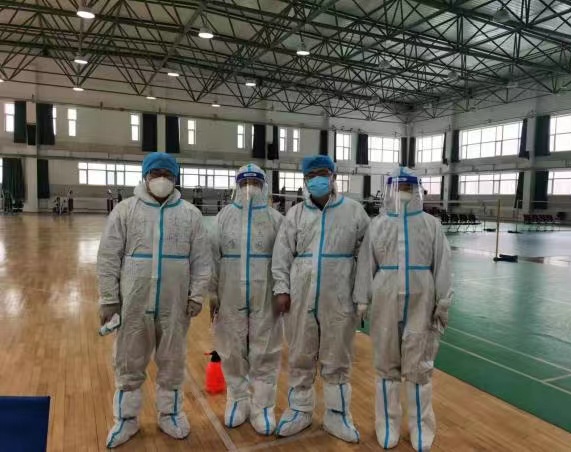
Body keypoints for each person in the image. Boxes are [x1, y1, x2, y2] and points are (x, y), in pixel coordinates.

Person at [97, 152, 215, 448]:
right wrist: (109, 299)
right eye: (156, 173)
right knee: (128, 360)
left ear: (175, 178)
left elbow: (202, 260)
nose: (161, 179)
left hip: (175, 306)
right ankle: (125, 419)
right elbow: (108, 257)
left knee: (172, 361)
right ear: (145, 176)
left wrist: (197, 294)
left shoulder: (190, 214)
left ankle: (170, 414)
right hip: (133, 304)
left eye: (167, 174)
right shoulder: (125, 211)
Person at [353, 167, 453, 451]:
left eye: (407, 188)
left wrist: (443, 301)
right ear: (389, 190)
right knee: (386, 365)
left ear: (417, 190)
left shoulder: (431, 225)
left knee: (419, 366)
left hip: (422, 301)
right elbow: (365, 264)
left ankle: (422, 427)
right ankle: (387, 425)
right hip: (385, 299)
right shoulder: (378, 225)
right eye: (398, 188)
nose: (403, 193)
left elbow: (443, 264)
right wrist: (362, 299)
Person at [272, 155, 370, 442]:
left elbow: (367, 258)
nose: (317, 179)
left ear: (333, 176)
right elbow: (282, 254)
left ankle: (337, 415)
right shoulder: (296, 215)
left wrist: (362, 296)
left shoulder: (354, 212)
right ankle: (299, 410)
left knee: (337, 357)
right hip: (301, 296)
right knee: (300, 354)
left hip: (339, 298)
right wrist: (282, 289)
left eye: (322, 173)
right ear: (305, 180)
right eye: (311, 174)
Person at [212, 163, 284, 435]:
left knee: (266, 348)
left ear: (263, 186)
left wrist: (283, 289)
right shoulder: (224, 217)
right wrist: (212, 292)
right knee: (231, 347)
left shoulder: (276, 220)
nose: (249, 188)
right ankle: (237, 399)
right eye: (244, 183)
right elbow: (211, 256)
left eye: (254, 183)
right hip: (230, 292)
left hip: (266, 293)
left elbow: (284, 259)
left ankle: (263, 406)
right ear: (237, 185)